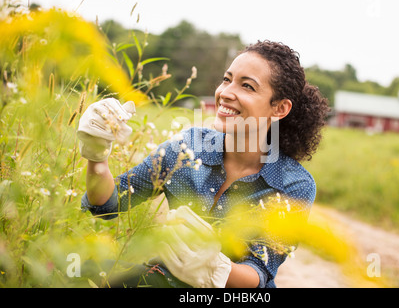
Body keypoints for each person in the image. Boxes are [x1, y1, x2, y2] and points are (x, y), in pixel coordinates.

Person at [78, 40, 329, 288]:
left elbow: (258, 273)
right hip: (161, 279)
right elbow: (109, 204)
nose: (226, 92)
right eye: (227, 79)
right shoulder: (188, 146)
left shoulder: (293, 185)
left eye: (247, 86)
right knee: (80, 272)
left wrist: (215, 268)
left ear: (280, 108)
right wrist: (97, 155)